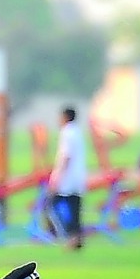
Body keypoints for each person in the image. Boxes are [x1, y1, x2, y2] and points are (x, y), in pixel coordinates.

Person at [48, 106, 88, 250]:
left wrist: (57, 177)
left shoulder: (67, 132)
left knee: (52, 205)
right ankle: (77, 238)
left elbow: (66, 156)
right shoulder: (78, 131)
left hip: (67, 178)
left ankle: (67, 236)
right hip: (78, 177)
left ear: (65, 117)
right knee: (75, 208)